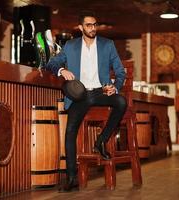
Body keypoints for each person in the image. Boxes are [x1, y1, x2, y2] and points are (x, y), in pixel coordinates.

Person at [46, 10, 127, 192]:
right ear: (81, 27)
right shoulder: (70, 46)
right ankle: (72, 178)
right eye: (89, 25)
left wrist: (115, 86)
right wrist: (61, 71)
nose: (93, 28)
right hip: (80, 95)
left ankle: (101, 141)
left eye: (95, 24)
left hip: (101, 92)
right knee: (70, 130)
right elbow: (51, 63)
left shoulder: (107, 44)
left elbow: (120, 72)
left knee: (121, 102)